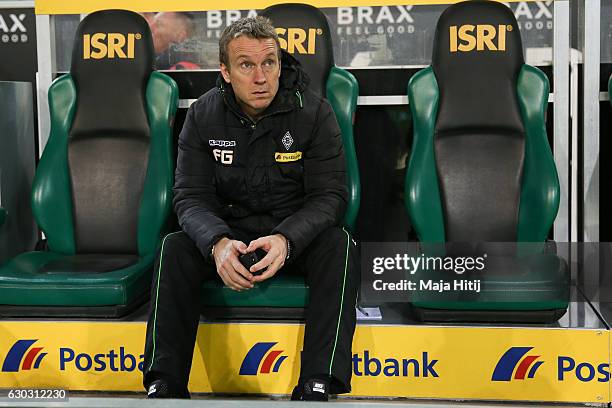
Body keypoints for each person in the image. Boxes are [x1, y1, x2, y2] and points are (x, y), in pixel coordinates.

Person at [143, 16, 360, 401]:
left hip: (292, 237)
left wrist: (287, 239)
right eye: (246, 65)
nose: (261, 77)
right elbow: (189, 196)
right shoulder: (202, 115)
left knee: (340, 244)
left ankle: (318, 381)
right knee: (173, 247)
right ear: (225, 72)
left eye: (269, 63)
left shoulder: (314, 112)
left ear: (280, 63)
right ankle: (165, 382)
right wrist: (217, 244)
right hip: (231, 239)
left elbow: (331, 196)